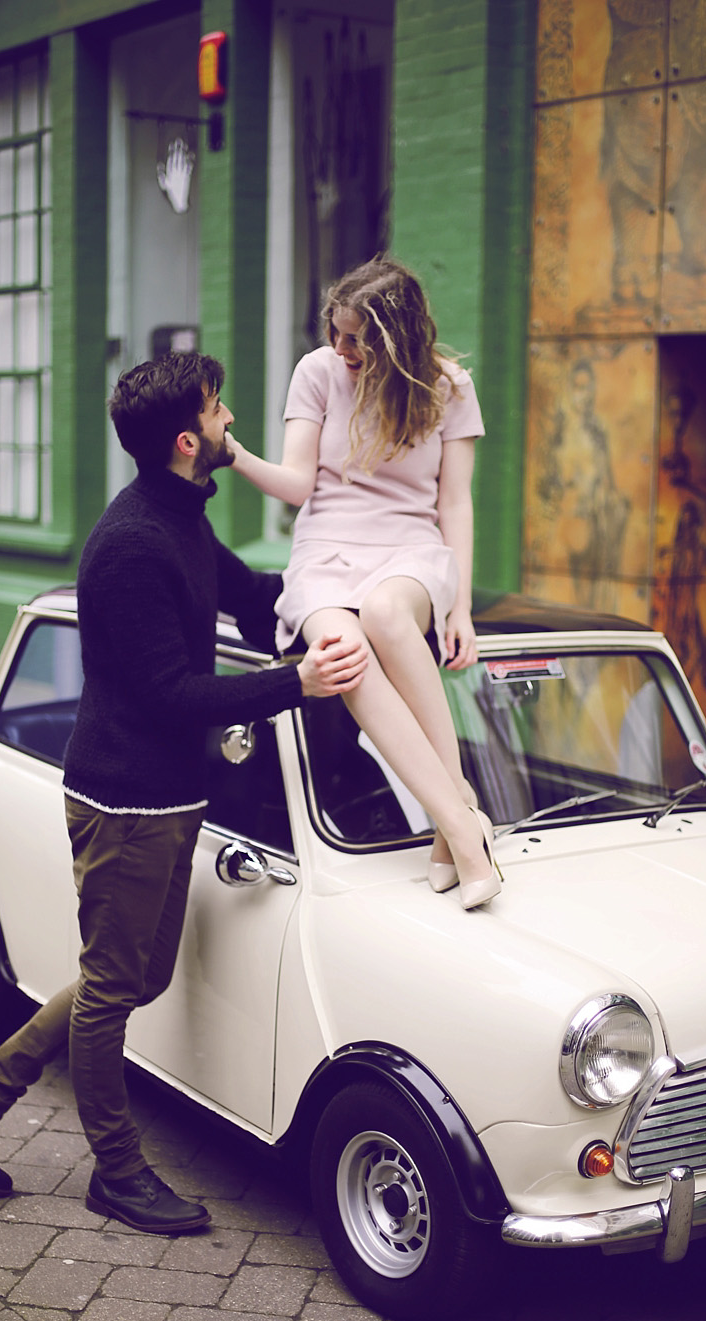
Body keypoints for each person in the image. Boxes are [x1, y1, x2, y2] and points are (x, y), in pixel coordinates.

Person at [0, 351, 368, 1234]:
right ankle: (115, 1173)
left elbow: (249, 593)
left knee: (126, 975)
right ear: (185, 439)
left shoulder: (180, 517)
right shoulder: (130, 544)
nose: (231, 418)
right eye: (218, 410)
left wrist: (358, 596)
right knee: (112, 989)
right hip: (124, 801)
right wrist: (299, 682)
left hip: (166, 797)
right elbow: (172, 694)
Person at [226, 257, 501, 910]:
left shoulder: (449, 387)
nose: (341, 348)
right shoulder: (317, 372)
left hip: (409, 545)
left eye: (357, 338)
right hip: (325, 549)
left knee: (383, 612)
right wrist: (230, 453)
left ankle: (452, 827)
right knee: (343, 657)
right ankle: (463, 823)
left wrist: (458, 607)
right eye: (336, 332)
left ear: (395, 339)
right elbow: (298, 485)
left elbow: (454, 504)